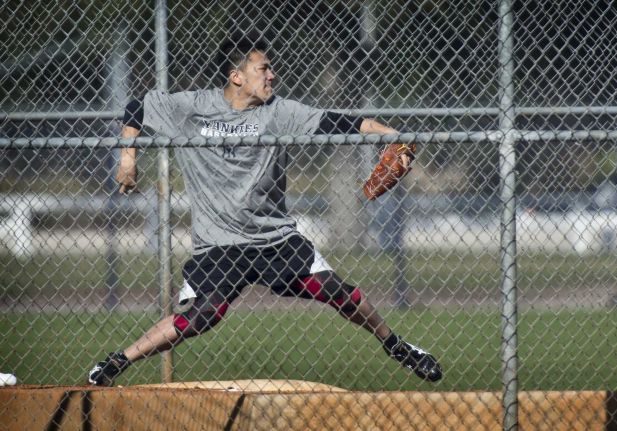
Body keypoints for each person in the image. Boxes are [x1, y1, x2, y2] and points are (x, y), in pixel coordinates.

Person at [87, 38, 442, 386]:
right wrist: (128, 156)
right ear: (237, 76)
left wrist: (394, 134)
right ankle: (119, 360)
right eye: (264, 69)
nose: (272, 76)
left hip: (274, 238)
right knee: (200, 316)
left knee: (337, 290)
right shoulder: (193, 106)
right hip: (220, 243)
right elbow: (138, 106)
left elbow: (341, 121)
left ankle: (396, 345)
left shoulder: (280, 112)